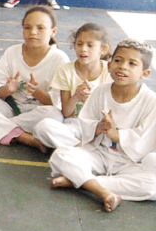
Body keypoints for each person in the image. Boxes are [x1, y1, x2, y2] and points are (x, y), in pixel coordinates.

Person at [49, 40, 156, 212]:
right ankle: (103, 191)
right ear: (109, 64)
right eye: (118, 60)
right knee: (61, 154)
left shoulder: (151, 101)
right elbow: (86, 124)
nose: (123, 67)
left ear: (145, 73)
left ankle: (80, 181)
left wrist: (117, 135)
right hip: (100, 154)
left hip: (130, 163)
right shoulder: (100, 91)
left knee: (152, 185)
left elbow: (146, 140)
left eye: (132, 63)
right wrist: (99, 127)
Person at [0, 6, 69, 150]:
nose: (33, 32)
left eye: (40, 28)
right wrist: (7, 89)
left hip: (38, 114)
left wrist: (37, 93)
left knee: (54, 116)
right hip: (11, 108)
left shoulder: (60, 59)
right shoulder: (12, 52)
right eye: (27, 27)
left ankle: (0, 128)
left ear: (53, 31)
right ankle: (25, 137)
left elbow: (57, 103)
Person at [33, 23, 111, 149]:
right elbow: (66, 113)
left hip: (98, 125)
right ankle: (79, 146)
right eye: (79, 44)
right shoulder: (65, 71)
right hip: (74, 124)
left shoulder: (110, 71)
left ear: (103, 49)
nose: (83, 49)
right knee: (43, 127)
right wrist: (76, 96)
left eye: (90, 45)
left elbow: (111, 111)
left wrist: (91, 100)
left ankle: (74, 147)